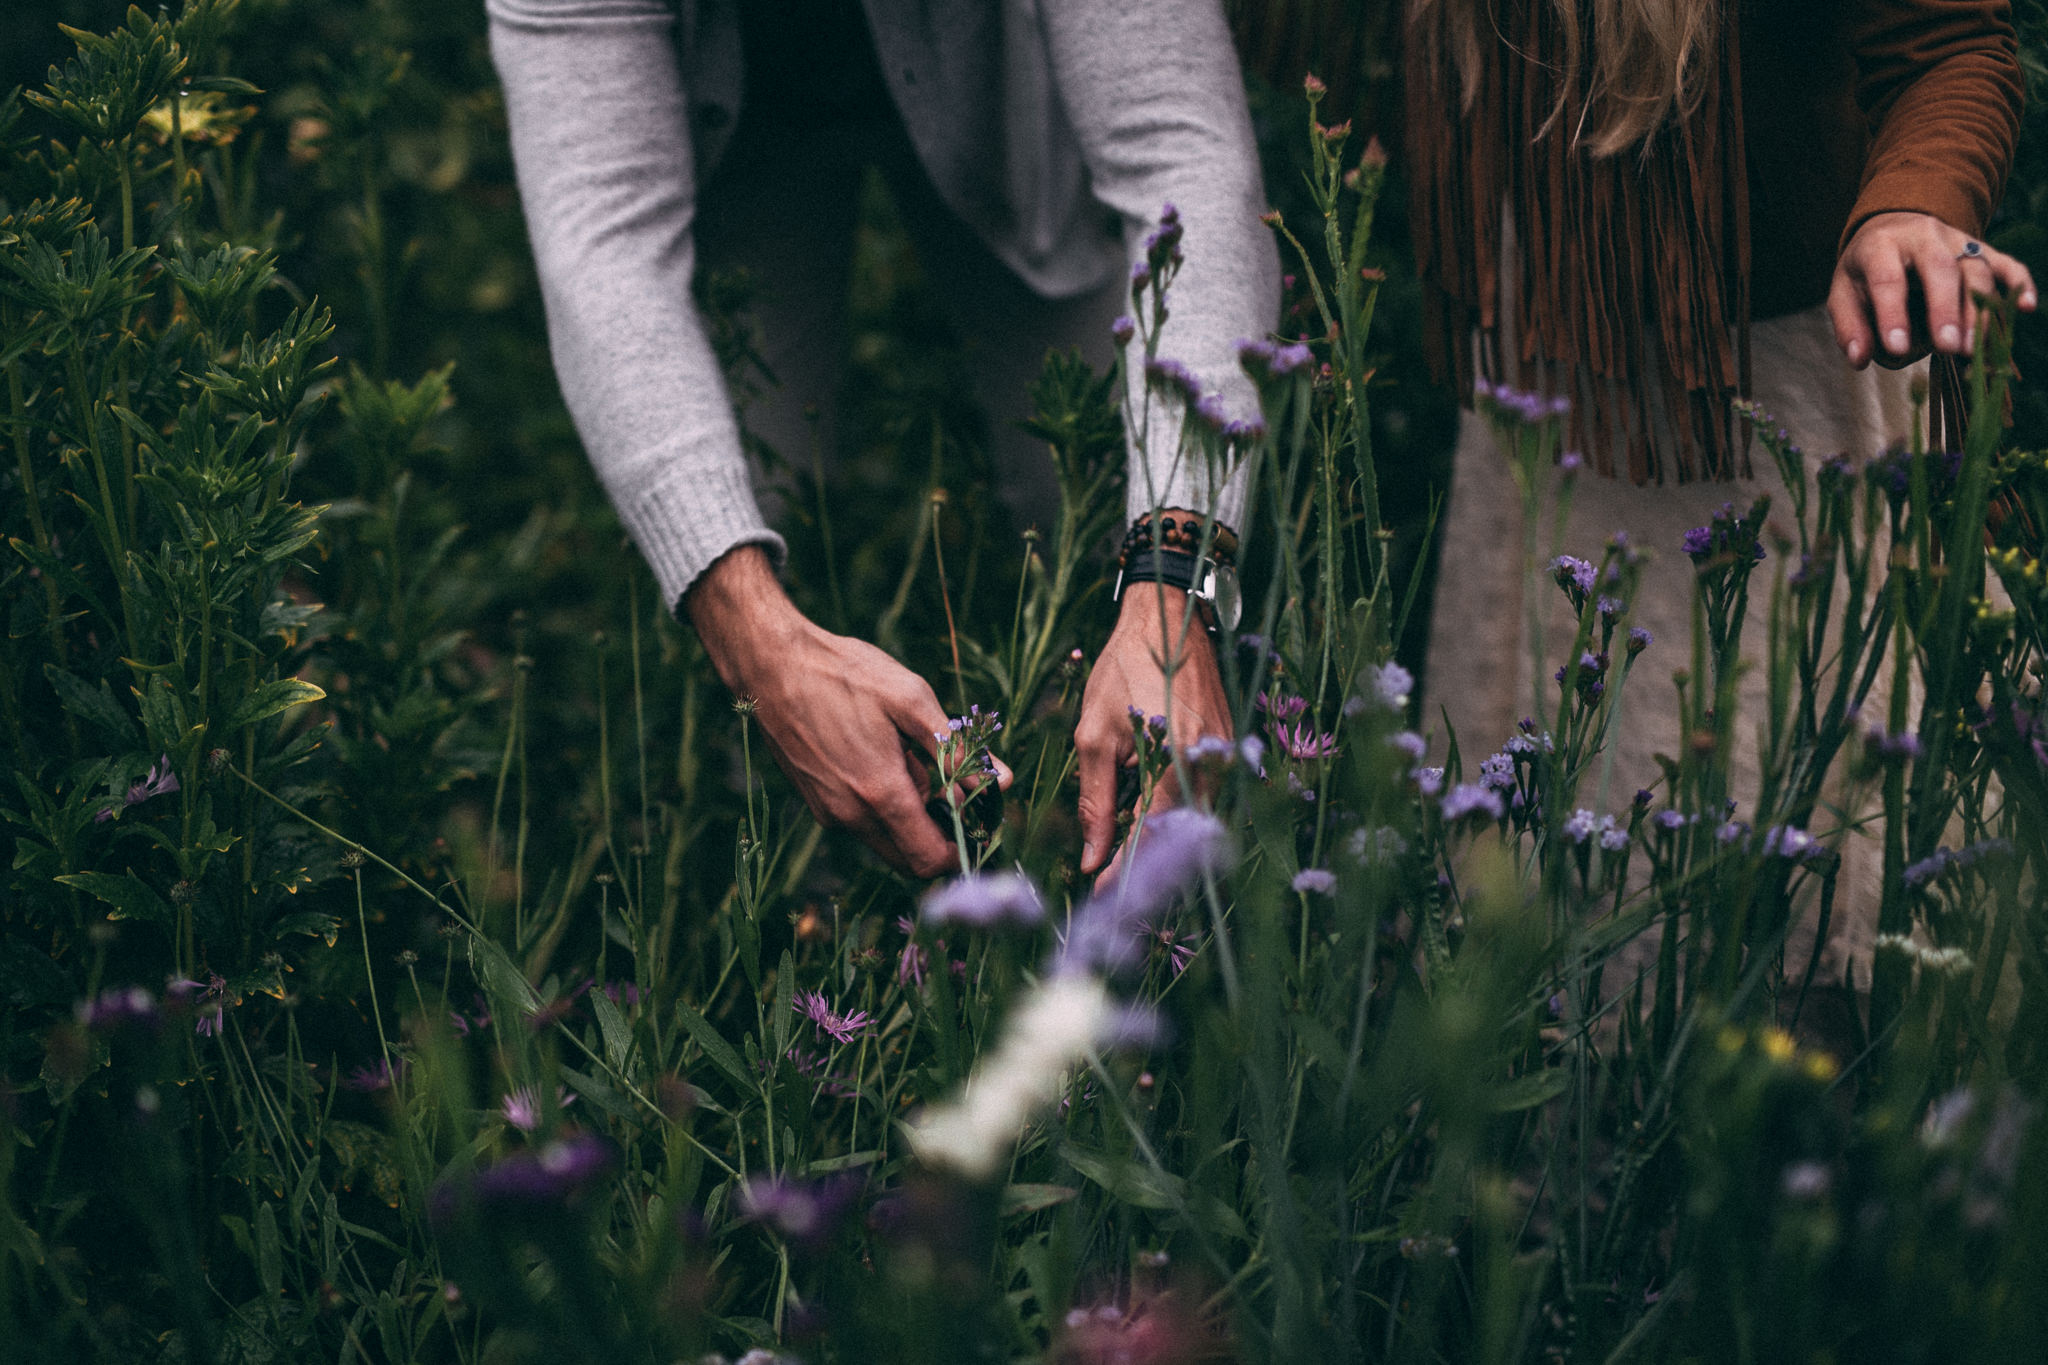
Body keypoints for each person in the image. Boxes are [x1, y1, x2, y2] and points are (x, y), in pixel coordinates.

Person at [486, 0, 1279, 879]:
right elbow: (601, 244)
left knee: (1098, 497)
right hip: (746, 127)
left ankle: (1153, 898)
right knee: (742, 537)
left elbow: (1185, 157)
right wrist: (757, 640)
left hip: (1003, 102)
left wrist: (1177, 583)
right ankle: (790, 908)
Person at [1406, 1, 2036, 979]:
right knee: (1528, 888)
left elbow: (1948, 43)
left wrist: (1911, 206)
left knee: (1801, 880)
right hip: (1540, 369)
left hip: (1780, 384)